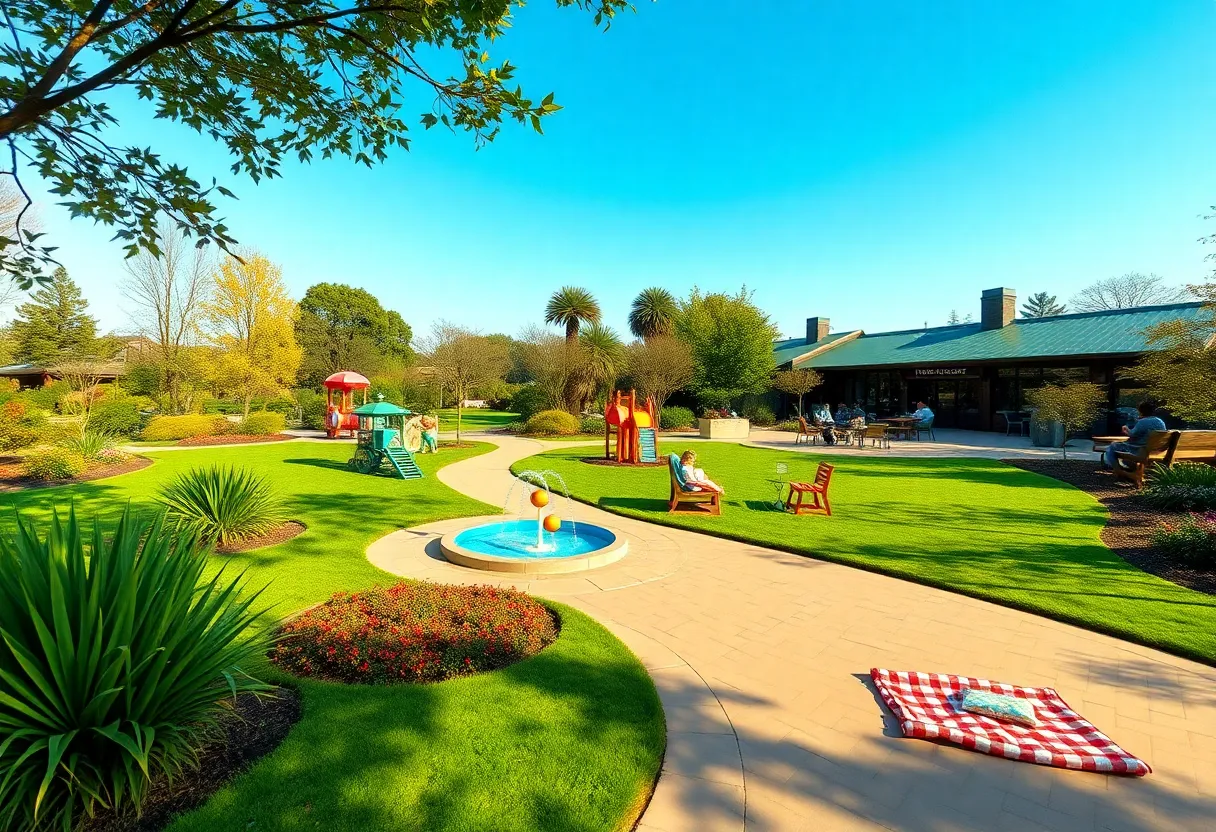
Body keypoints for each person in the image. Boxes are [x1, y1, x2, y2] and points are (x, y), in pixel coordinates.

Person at [1102, 401, 1167, 471]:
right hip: (1156, 450)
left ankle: (1115, 468)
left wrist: (1125, 428)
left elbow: (1132, 434)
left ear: (1141, 411)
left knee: (1113, 445)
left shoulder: (1143, 422)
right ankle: (1125, 467)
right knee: (1120, 451)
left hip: (1141, 450)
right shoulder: (1160, 421)